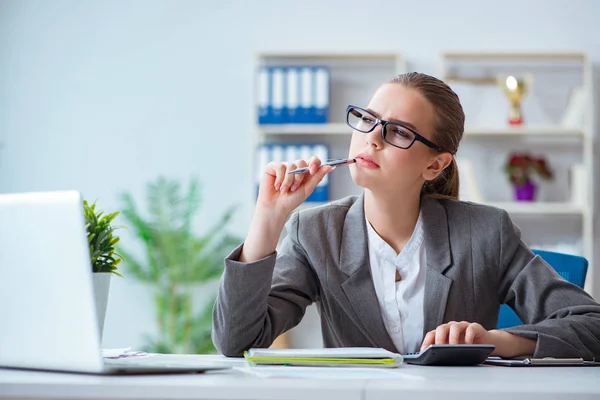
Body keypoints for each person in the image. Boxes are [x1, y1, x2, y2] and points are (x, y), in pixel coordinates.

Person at [212, 72, 600, 359]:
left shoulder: (485, 232)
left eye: (398, 132)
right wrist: (268, 218)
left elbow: (592, 326)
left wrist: (497, 341)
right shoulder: (314, 232)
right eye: (368, 119)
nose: (372, 138)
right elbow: (236, 341)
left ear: (435, 165)